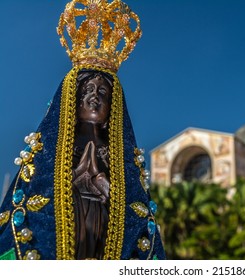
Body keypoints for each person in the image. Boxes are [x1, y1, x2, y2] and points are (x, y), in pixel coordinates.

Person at [0, 0, 165, 260]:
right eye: (86, 91)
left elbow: (133, 213)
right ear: (71, 99)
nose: (94, 98)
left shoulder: (118, 157)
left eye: (102, 92)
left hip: (103, 226)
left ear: (114, 106)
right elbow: (38, 201)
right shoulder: (52, 151)